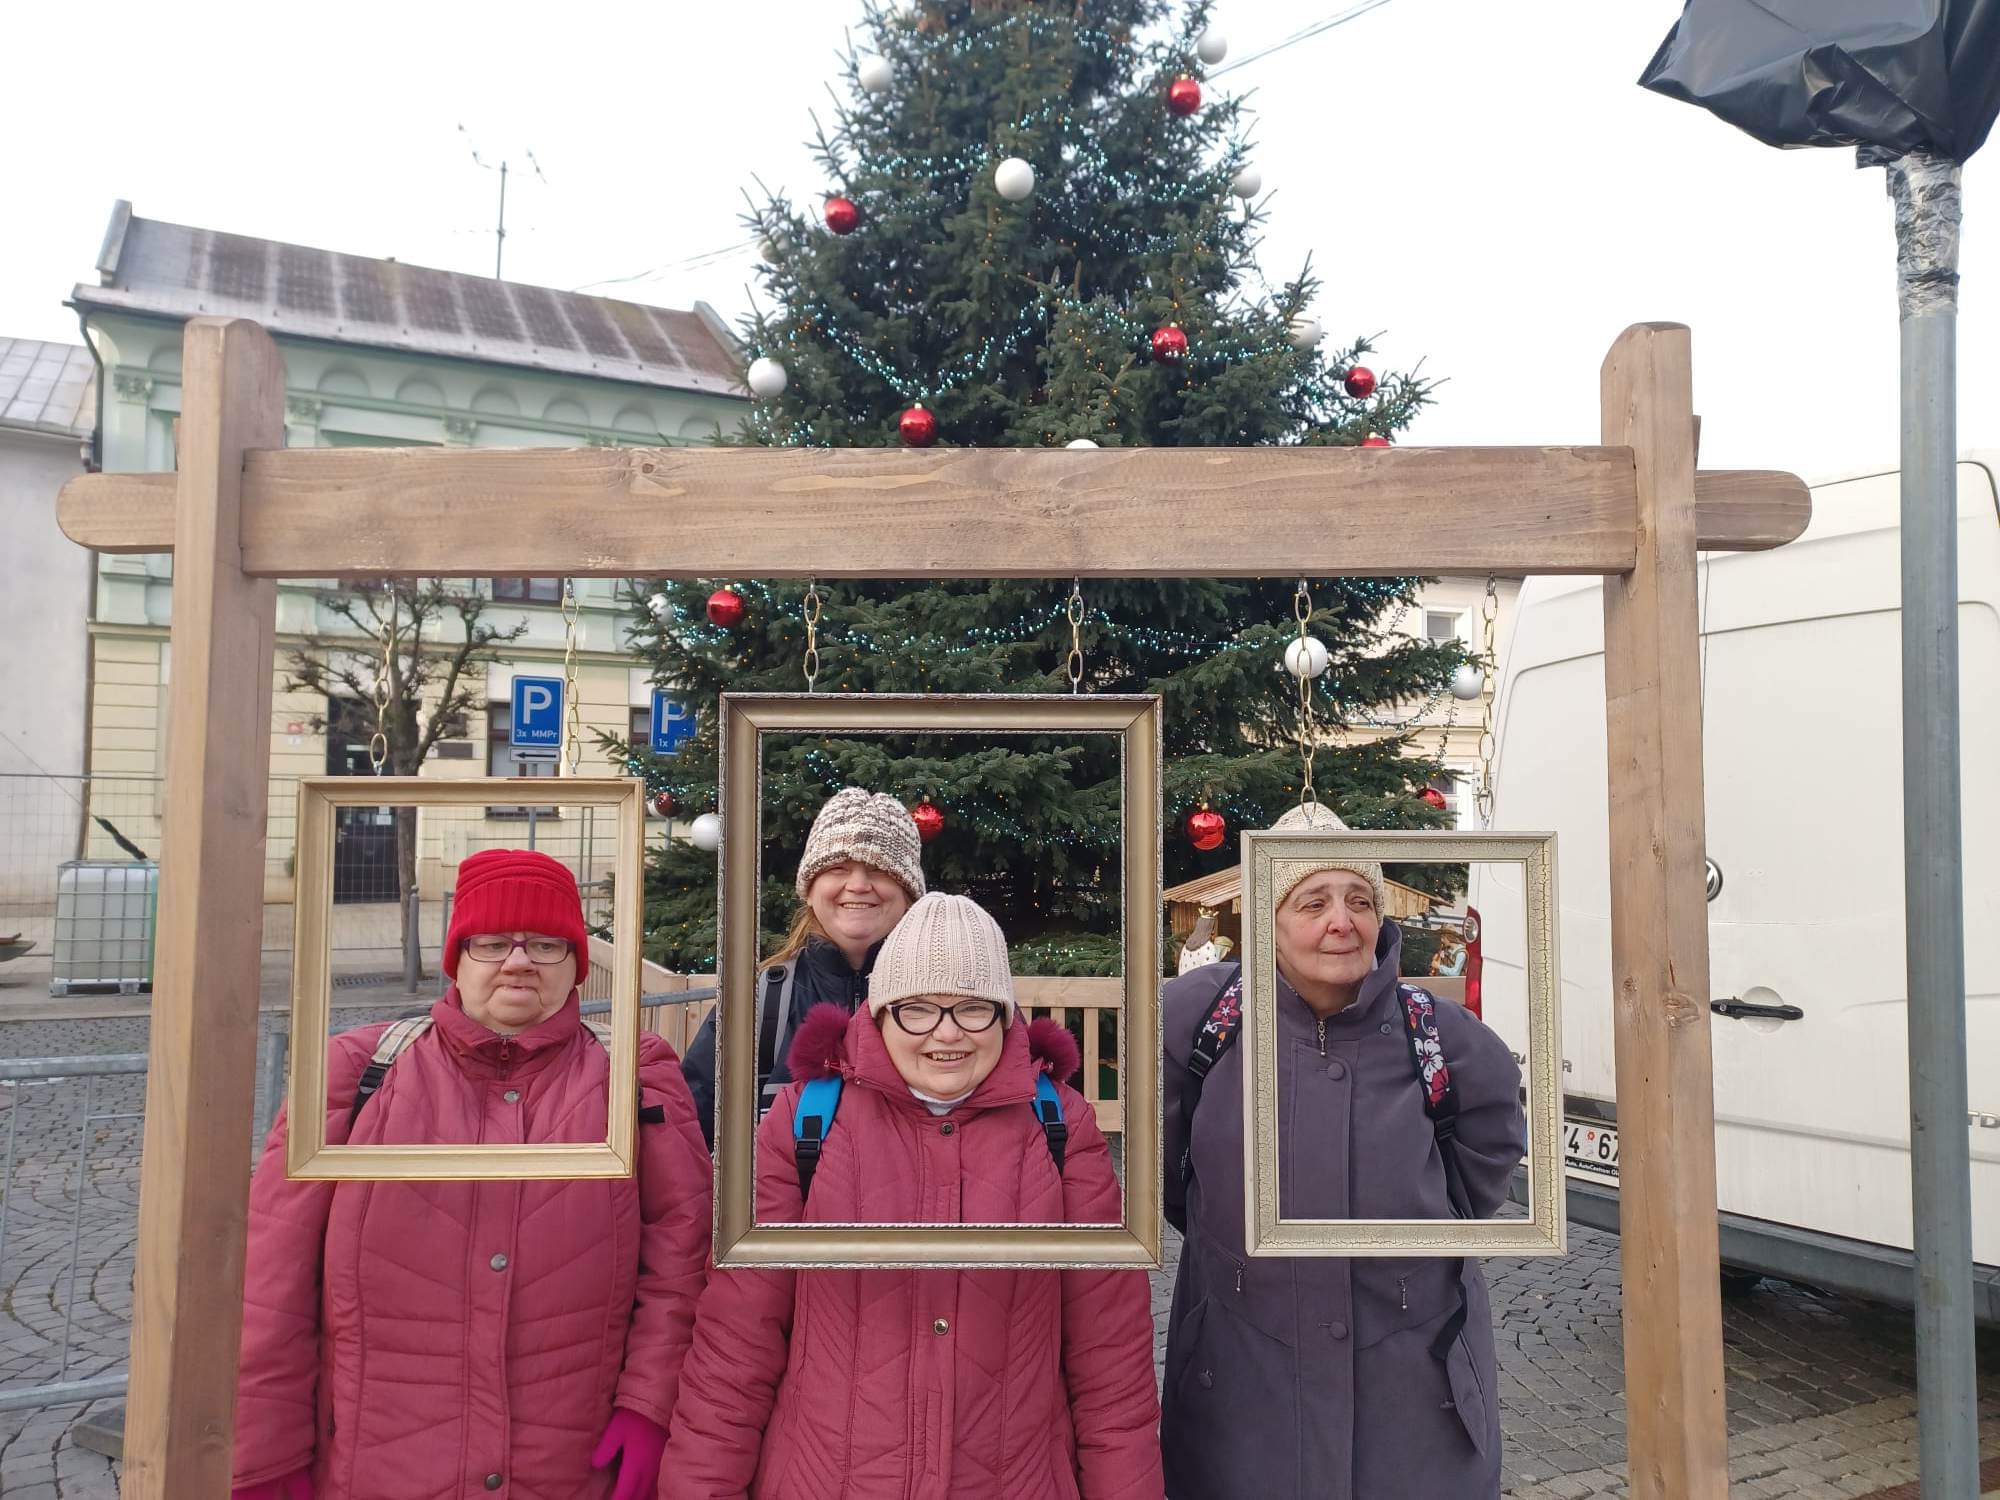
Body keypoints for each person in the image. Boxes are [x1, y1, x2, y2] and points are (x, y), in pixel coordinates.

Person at [230, 849, 712, 1500]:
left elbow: (681, 1256)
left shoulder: (635, 1074)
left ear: (575, 962)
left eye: (545, 944)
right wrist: (264, 1454)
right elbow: (272, 1280)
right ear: (457, 957)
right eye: (492, 943)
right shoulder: (355, 1072)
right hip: (378, 1467)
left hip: (567, 1466)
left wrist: (649, 1406)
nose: (519, 962)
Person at [664, 892, 1165, 1500]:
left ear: (1004, 1015)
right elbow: (736, 1343)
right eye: (918, 1009)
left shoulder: (1060, 1127)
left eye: (973, 1008)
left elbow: (1110, 1356)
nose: (947, 1033)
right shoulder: (804, 1125)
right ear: (880, 1012)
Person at [1160, 803, 1526, 1500]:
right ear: (1268, 919)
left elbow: (1483, 1166)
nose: (1342, 921)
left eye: (1360, 901)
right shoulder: (1200, 1021)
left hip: (1414, 1396)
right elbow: (1173, 1174)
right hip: (1240, 1381)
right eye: (1313, 902)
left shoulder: (1444, 1036)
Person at [680, 786, 925, 1148]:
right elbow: (689, 1132)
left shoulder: (945, 1001)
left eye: (878, 869)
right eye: (838, 868)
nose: (858, 885)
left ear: (908, 893)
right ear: (810, 889)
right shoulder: (758, 1001)